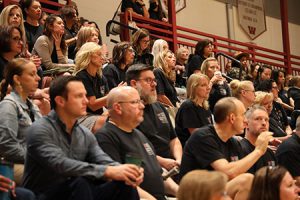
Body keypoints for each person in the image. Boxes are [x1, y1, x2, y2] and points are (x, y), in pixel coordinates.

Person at [23, 76, 142, 200]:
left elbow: (101, 158)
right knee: (80, 182)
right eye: (79, 96)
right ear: (60, 101)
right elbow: (61, 164)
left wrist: (125, 170)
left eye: (85, 95)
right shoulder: (40, 129)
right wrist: (108, 171)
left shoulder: (84, 133)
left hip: (76, 191)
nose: (86, 101)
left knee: (125, 184)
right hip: (45, 194)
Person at [179, 97, 272, 199]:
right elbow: (228, 173)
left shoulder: (234, 143)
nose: (246, 121)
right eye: (243, 115)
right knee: (246, 180)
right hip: (195, 194)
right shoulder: (203, 136)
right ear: (232, 118)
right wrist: (258, 150)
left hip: (218, 192)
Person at [95, 86, 173, 200]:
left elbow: (159, 175)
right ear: (118, 107)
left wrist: (180, 191)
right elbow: (124, 186)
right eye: (135, 102)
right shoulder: (106, 138)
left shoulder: (138, 134)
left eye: (140, 101)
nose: (142, 106)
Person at [126, 64, 183, 171]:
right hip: (148, 167)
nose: (154, 84)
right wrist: (163, 162)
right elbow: (133, 152)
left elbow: (174, 139)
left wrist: (178, 159)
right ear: (134, 83)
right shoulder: (128, 113)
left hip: (173, 164)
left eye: (154, 80)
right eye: (148, 80)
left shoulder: (159, 107)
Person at [0, 58, 42, 184]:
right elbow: (7, 146)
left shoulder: (32, 106)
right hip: (12, 164)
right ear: (17, 79)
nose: (38, 78)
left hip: (32, 160)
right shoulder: (8, 106)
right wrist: (39, 157)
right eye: (32, 74)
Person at [73, 42, 109, 133]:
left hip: (98, 114)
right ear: (89, 56)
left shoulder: (101, 77)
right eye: (99, 54)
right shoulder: (81, 76)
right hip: (83, 116)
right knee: (107, 121)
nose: (103, 58)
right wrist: (114, 95)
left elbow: (108, 102)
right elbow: (92, 105)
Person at [175, 73, 212, 147]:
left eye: (208, 84)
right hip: (193, 149)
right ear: (194, 88)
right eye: (203, 85)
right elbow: (196, 135)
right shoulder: (188, 106)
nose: (208, 88)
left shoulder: (205, 106)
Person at [240, 106, 277, 174]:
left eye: (266, 120)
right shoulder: (240, 150)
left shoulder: (270, 152)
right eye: (258, 119)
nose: (264, 123)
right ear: (246, 124)